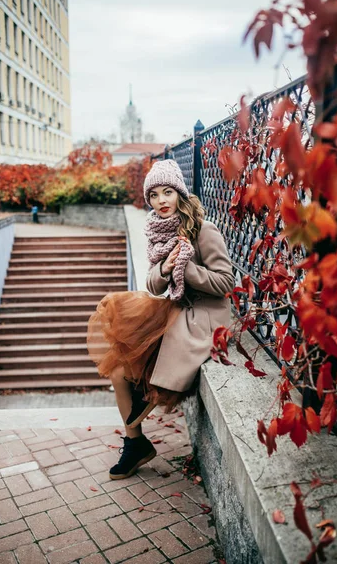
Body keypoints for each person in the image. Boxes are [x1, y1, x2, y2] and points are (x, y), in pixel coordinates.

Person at [87, 159, 234, 480]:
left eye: (168, 192)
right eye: (154, 195)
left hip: (205, 315)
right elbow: (153, 285)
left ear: (180, 194)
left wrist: (186, 267)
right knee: (118, 371)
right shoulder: (157, 228)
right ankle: (136, 443)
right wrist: (166, 268)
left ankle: (144, 401)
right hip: (177, 307)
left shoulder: (204, 230)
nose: (161, 201)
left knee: (151, 367)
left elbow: (225, 283)